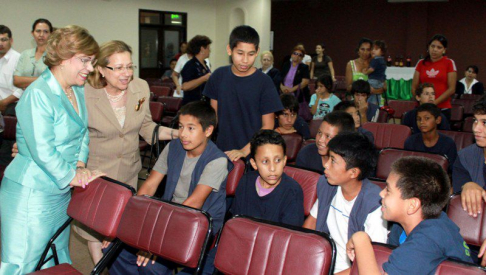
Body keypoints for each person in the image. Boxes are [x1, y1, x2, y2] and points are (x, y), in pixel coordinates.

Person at [0, 25, 100, 274]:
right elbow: (42, 149)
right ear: (64, 57)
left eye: (92, 61)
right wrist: (71, 176)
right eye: (85, 60)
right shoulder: (38, 94)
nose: (90, 68)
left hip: (59, 192)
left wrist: (79, 163)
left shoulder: (76, 89)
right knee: (25, 260)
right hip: (31, 194)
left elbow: (82, 132)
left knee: (54, 256)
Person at [74, 40, 178, 265]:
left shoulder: (139, 87)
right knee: (95, 234)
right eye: (118, 68)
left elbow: (146, 128)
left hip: (129, 172)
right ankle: (100, 268)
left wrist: (177, 134)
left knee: (120, 232)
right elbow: (72, 134)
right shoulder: (84, 93)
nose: (126, 73)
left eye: (130, 66)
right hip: (96, 177)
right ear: (101, 69)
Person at [107, 101, 232, 275]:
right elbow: (150, 185)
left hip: (198, 224)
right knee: (113, 250)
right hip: (170, 214)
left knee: (150, 265)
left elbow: (193, 204)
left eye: (191, 128)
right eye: (180, 127)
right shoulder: (173, 147)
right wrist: (129, 223)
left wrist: (155, 242)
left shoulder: (217, 160)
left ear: (208, 130)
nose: (183, 134)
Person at [347, 157, 472, 275]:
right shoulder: (402, 226)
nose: (381, 193)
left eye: (388, 190)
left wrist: (361, 240)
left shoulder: (428, 238)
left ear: (412, 205)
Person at [303, 132, 387, 274]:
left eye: (333, 160)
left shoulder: (374, 205)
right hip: (322, 262)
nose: (326, 165)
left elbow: (372, 263)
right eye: (328, 158)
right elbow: (311, 223)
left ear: (353, 172)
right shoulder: (327, 184)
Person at [203, 25, 283, 161]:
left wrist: (244, 151)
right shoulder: (218, 76)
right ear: (229, 50)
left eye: (251, 54)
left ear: (257, 51)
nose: (245, 60)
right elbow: (213, 117)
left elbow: (268, 125)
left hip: (253, 154)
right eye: (240, 53)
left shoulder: (264, 82)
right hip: (222, 150)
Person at [231, 130, 305, 226]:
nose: (272, 168)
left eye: (278, 160)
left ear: (284, 161)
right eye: (265, 161)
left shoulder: (292, 192)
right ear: (254, 164)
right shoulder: (246, 181)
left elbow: (290, 236)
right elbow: (236, 223)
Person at [452, 96, 486, 215]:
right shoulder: (465, 157)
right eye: (475, 121)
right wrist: (466, 184)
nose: (476, 128)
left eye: (484, 122)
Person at [412, 34, 457, 122]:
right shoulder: (421, 63)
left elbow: (452, 89)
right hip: (422, 108)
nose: (435, 49)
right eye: (432, 46)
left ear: (444, 50)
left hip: (442, 108)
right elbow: (414, 87)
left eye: (439, 47)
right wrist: (421, 102)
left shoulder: (449, 63)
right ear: (428, 47)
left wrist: (433, 103)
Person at [404, 103, 457, 171]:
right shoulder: (410, 141)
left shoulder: (448, 143)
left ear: (438, 120)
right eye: (419, 119)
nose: (422, 122)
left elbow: (452, 171)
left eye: (427, 118)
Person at [13, 19, 52, 90]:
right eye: (38, 31)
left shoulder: (54, 56)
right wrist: (42, 79)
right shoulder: (25, 54)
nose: (41, 35)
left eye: (45, 32)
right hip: (26, 97)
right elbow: (16, 80)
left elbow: (53, 81)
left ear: (51, 34)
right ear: (32, 33)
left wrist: (25, 81)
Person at [180, 35, 211, 105]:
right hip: (193, 106)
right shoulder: (190, 65)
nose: (210, 50)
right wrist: (204, 78)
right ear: (202, 49)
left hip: (203, 105)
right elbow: (185, 86)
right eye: (208, 48)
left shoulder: (205, 64)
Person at [0, 25, 22, 115]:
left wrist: (4, 102)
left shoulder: (19, 59)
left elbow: (23, 88)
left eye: (4, 40)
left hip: (11, 105)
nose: (0, 43)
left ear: (11, 41)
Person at [362, 40, 387, 106]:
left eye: (376, 49)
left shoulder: (375, 59)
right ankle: (377, 106)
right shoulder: (383, 61)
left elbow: (372, 69)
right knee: (377, 96)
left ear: (382, 51)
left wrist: (365, 72)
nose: (373, 51)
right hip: (380, 81)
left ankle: (371, 106)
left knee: (371, 97)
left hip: (373, 80)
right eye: (372, 49)